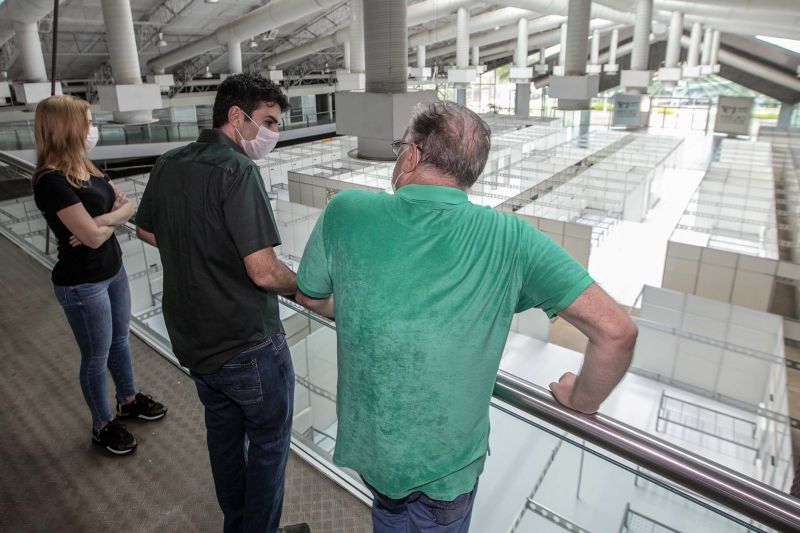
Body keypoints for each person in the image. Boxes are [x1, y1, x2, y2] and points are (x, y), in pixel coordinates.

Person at [295, 101, 638, 532]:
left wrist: (366, 306)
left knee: (388, 516)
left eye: (401, 145)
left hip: (374, 452)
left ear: (413, 154)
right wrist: (580, 400)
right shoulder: (512, 239)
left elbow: (310, 297)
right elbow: (616, 332)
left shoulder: (347, 211)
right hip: (449, 469)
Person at [135, 73, 308, 533]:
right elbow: (264, 270)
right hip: (247, 343)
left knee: (225, 441)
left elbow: (146, 230)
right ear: (237, 117)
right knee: (269, 449)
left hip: (194, 341)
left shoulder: (169, 162)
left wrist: (199, 250)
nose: (273, 132)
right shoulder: (238, 171)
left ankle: (237, 524)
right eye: (268, 120)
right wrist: (307, 288)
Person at [32, 95, 168, 456]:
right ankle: (103, 424)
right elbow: (91, 237)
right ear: (67, 128)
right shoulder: (50, 182)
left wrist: (104, 219)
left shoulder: (86, 168)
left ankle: (128, 398)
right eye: (88, 122)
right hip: (82, 284)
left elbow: (127, 207)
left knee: (120, 340)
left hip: (113, 270)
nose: (93, 129)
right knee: (95, 356)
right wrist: (108, 219)